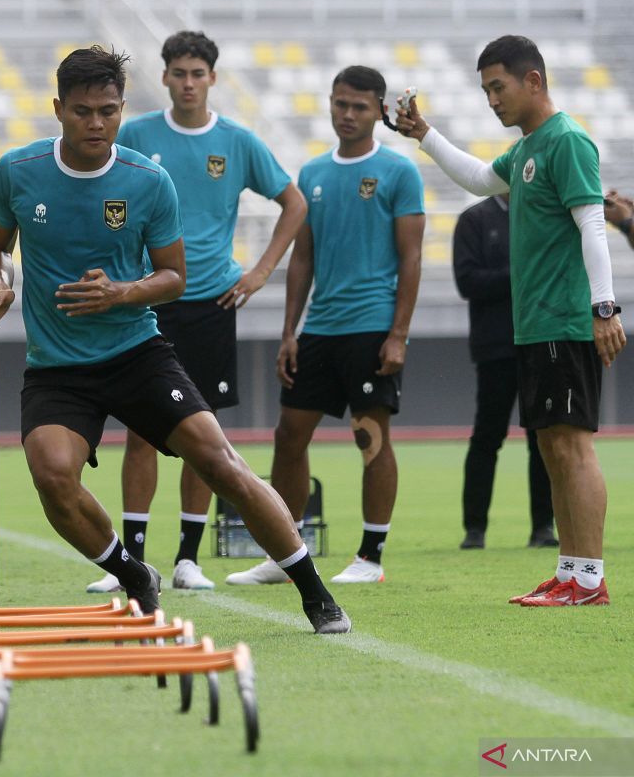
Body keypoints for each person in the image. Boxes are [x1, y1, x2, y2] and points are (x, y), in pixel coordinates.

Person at [0, 45, 349, 632]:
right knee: (51, 472)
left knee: (220, 461)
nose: (97, 123)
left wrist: (121, 293)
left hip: (136, 352)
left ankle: (314, 591)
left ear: (123, 108)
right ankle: (133, 573)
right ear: (58, 109)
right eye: (82, 111)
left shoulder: (148, 181)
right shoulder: (18, 170)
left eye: (108, 110)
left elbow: (174, 279)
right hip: (56, 365)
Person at [396, 35, 624, 606]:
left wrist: (604, 308)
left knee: (572, 448)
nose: (492, 100)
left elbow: (594, 227)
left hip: (565, 322)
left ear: (534, 81)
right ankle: (570, 572)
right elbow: (477, 178)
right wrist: (425, 135)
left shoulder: (567, 141)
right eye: (485, 90)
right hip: (534, 326)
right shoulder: (527, 149)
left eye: (499, 87)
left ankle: (589, 580)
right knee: (551, 448)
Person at [80, 30, 306, 593]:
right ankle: (132, 559)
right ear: (164, 78)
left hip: (207, 299)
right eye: (178, 72)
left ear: (212, 78)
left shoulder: (236, 141)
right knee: (139, 432)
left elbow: (293, 202)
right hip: (147, 299)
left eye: (197, 73)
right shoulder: (134, 134)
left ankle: (187, 558)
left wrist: (257, 274)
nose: (187, 82)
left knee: (202, 437)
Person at [227, 66, 424, 587]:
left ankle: (371, 556)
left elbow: (412, 259)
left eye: (360, 106)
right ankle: (285, 551)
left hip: (371, 326)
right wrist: (290, 331)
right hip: (319, 329)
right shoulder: (311, 173)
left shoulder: (399, 172)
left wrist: (398, 334)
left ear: (378, 110)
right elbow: (301, 260)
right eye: (340, 104)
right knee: (288, 435)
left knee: (370, 437)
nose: (348, 114)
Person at [452, 194, 556, 550]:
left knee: (542, 438)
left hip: (541, 341)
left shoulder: (543, 211)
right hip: (495, 346)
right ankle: (474, 529)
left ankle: (543, 527)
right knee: (487, 436)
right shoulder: (474, 219)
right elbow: (467, 282)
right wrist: (523, 274)